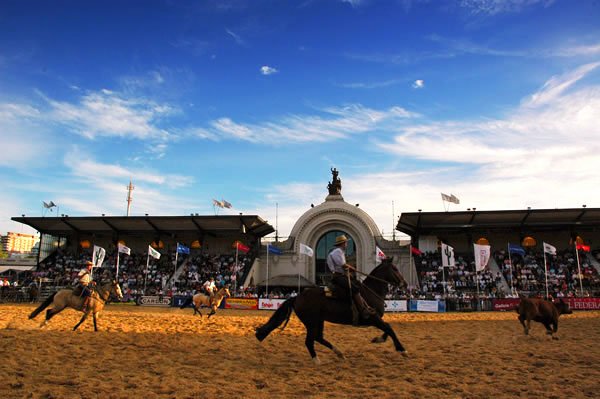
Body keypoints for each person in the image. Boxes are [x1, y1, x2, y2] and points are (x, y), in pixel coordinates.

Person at [327, 235, 375, 324]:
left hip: (340, 275)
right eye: (346, 242)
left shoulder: (339, 252)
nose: (347, 244)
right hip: (338, 276)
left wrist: (349, 271)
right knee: (355, 289)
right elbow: (343, 265)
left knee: (356, 285)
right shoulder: (338, 252)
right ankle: (363, 310)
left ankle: (365, 307)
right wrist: (352, 268)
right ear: (342, 243)